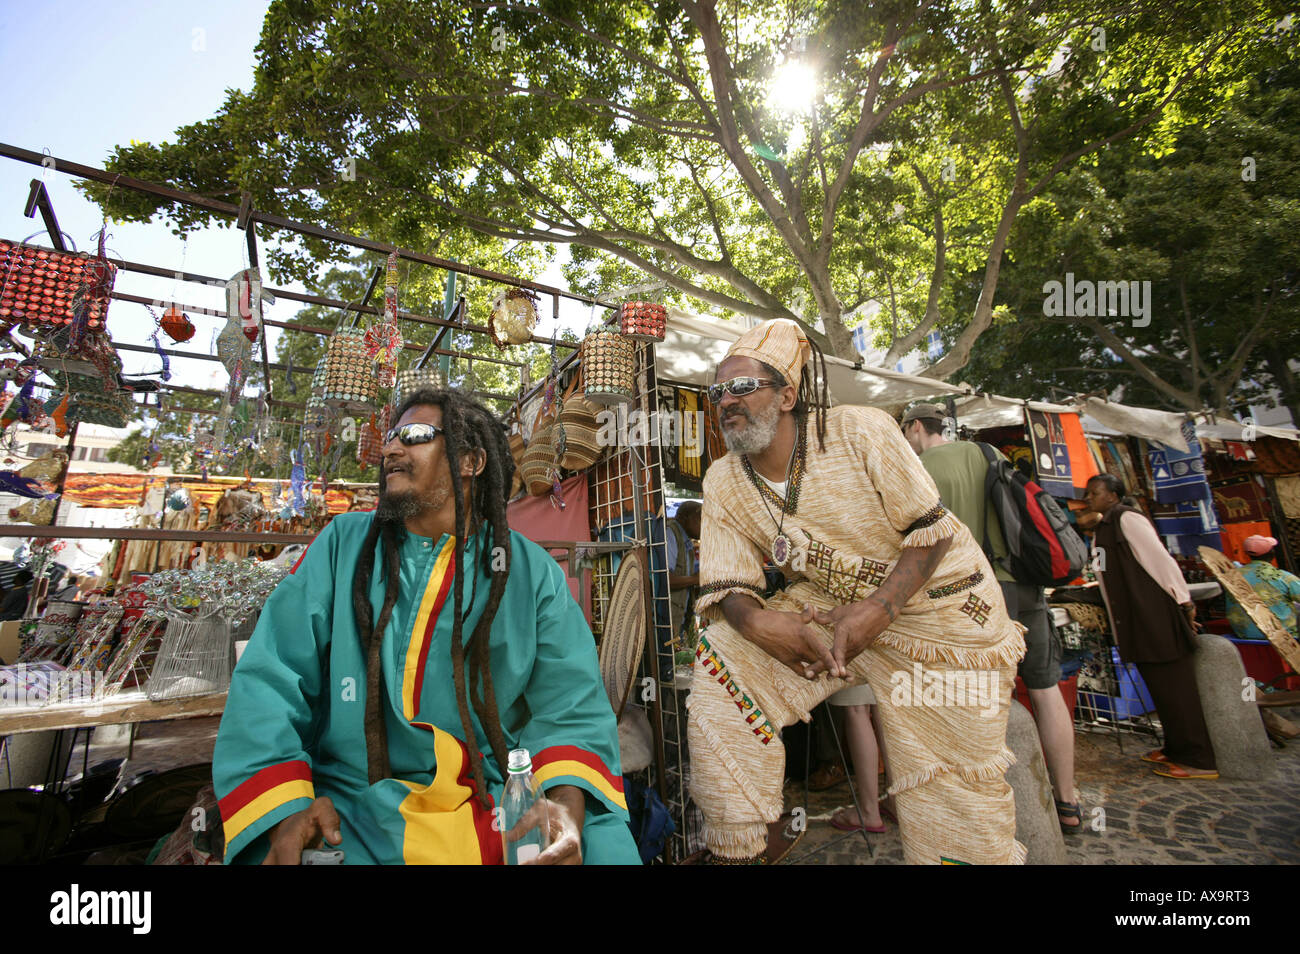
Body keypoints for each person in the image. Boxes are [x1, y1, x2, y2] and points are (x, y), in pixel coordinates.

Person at [213, 389, 639, 865]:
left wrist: (563, 809)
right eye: (391, 437)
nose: (391, 448)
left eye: (414, 435)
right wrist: (285, 811)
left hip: (496, 795)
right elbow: (270, 680)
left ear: (471, 461)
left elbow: (571, 707)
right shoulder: (342, 546)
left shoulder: (532, 572)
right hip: (353, 799)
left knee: (600, 847)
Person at [688, 318, 1026, 865]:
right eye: (718, 391)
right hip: (833, 615)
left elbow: (931, 531)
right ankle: (741, 849)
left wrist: (880, 609)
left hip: (942, 616)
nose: (727, 399)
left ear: (788, 396)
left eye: (743, 386)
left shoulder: (859, 429)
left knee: (952, 791)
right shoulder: (723, 480)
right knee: (724, 662)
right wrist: (756, 622)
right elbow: (727, 582)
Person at [902, 402, 1080, 833]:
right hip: (1024, 586)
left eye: (904, 431)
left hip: (971, 598)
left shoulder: (919, 471)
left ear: (915, 427)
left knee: (976, 699)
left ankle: (986, 812)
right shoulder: (988, 452)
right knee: (1045, 690)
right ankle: (1068, 801)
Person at [1083, 473, 1218, 780]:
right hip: (1136, 620)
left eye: (1095, 493)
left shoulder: (1128, 519)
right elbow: (1104, 571)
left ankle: (1199, 759)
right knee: (1161, 688)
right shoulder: (1104, 526)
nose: (1089, 498)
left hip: (1155, 616)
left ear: (1113, 495)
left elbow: (1160, 561)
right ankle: (1175, 748)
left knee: (1177, 689)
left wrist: (1184, 601)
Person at [1223, 534, 1300, 643]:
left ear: (1247, 554)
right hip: (1283, 635)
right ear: (1272, 554)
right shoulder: (1282, 576)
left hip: (1245, 633)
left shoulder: (1231, 576)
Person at [666, 500, 701, 645]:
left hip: (680, 618)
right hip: (667, 619)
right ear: (684, 518)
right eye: (700, 519)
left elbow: (691, 571)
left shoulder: (686, 541)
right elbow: (665, 579)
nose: (704, 525)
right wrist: (696, 579)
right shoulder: (670, 534)